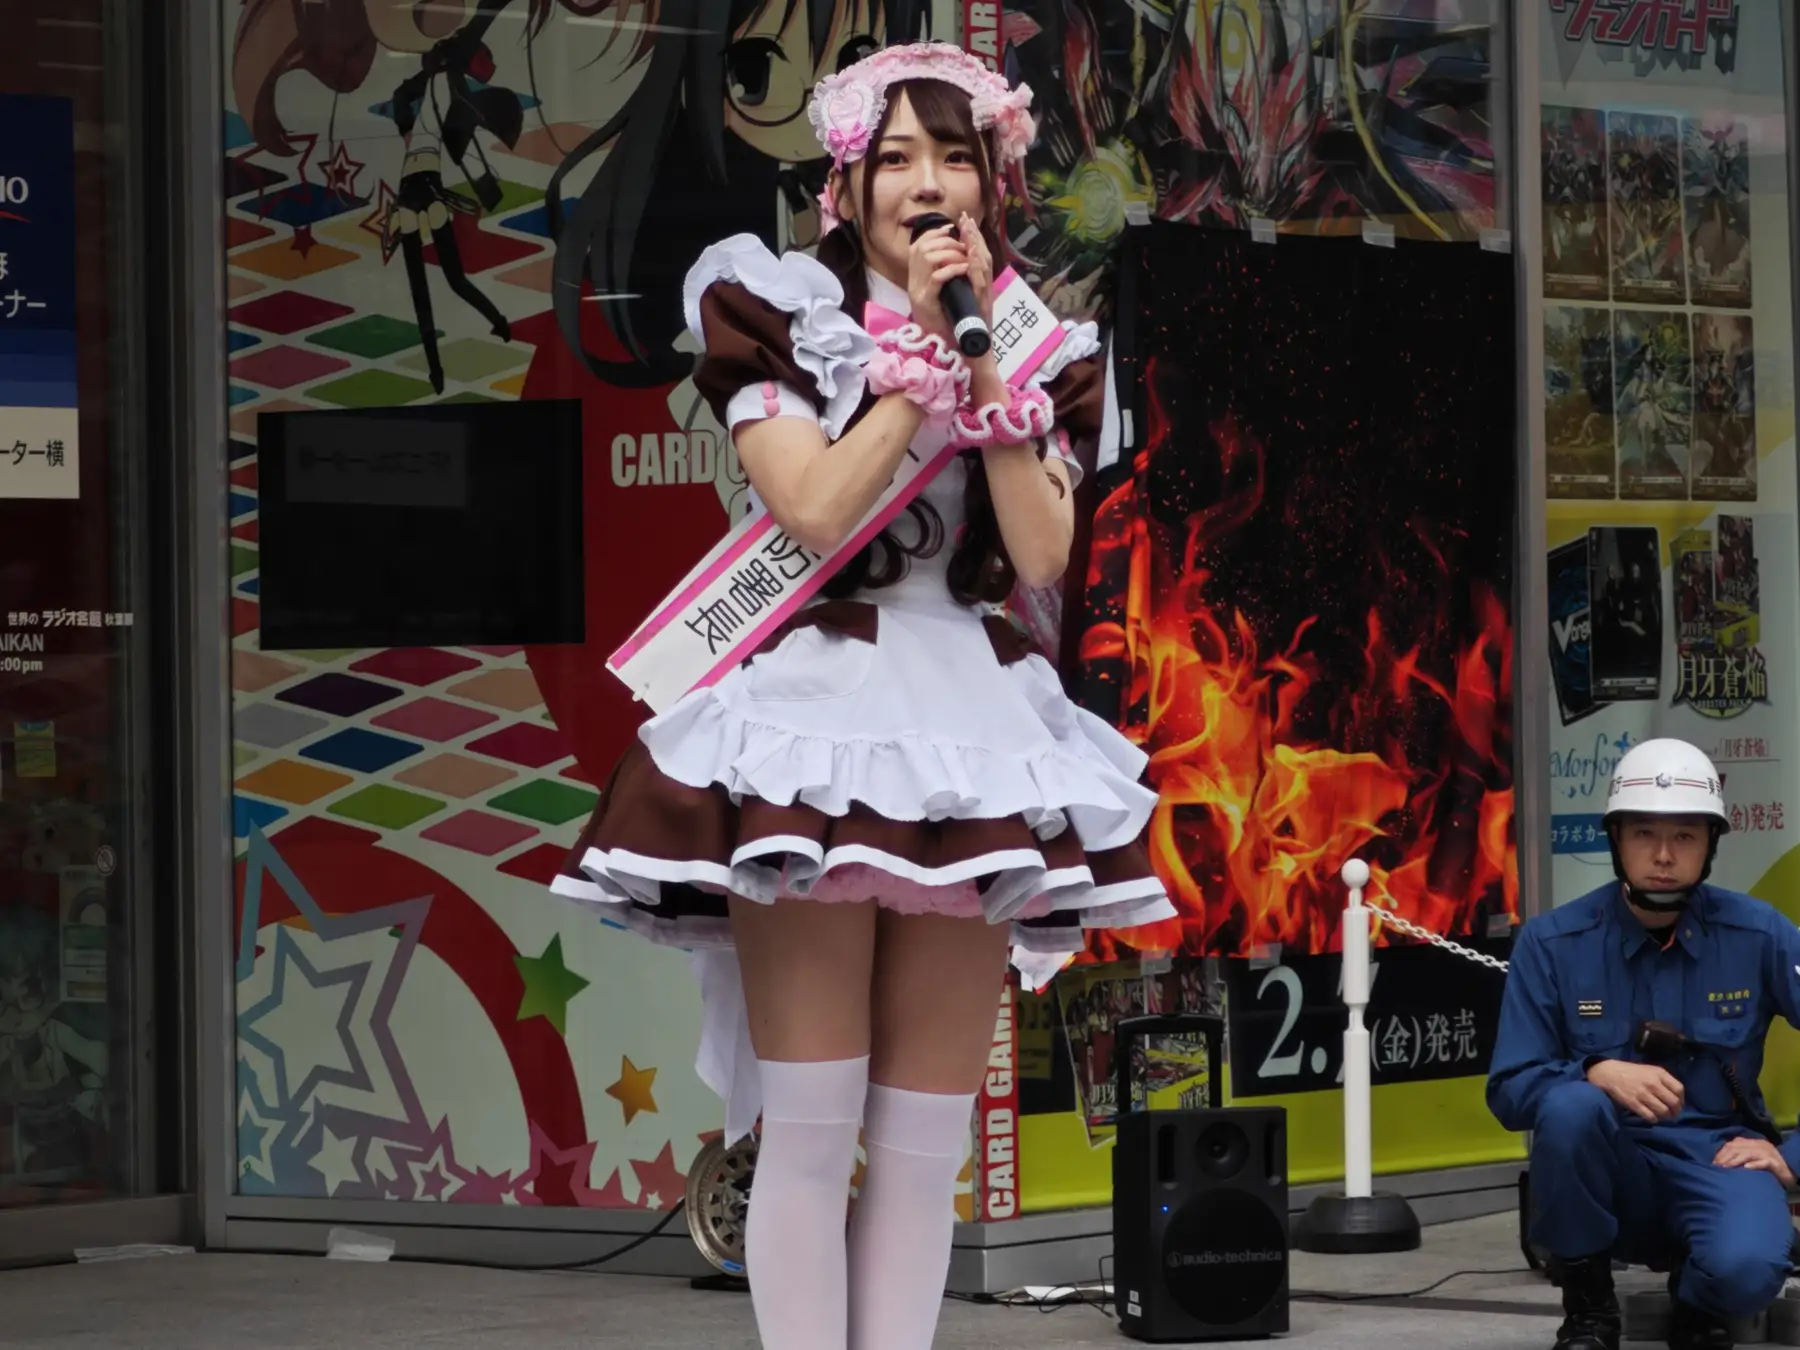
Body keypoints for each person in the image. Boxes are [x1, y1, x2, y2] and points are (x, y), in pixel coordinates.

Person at [549, 41, 1173, 1350]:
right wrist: (907, 390)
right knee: (815, 1120)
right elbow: (818, 502)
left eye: (955, 156)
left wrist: (987, 381)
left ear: (995, 183)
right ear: (846, 183)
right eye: (896, 157)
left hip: (973, 724)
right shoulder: (772, 308)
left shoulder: (1043, 345)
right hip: (817, 716)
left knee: (920, 1135)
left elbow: (1044, 555)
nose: (927, 183)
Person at [1487, 738, 1800, 1350]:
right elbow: (1510, 1089)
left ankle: (1699, 1294)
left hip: (1717, 1158)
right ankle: (1589, 1309)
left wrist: (1793, 1155)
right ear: (1615, 840)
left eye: (1685, 837)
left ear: (1711, 845)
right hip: (1611, 1170)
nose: (1662, 855)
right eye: (1643, 835)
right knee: (1572, 1107)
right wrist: (1594, 1072)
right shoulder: (1553, 943)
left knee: (1749, 1271)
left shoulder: (1758, 934)